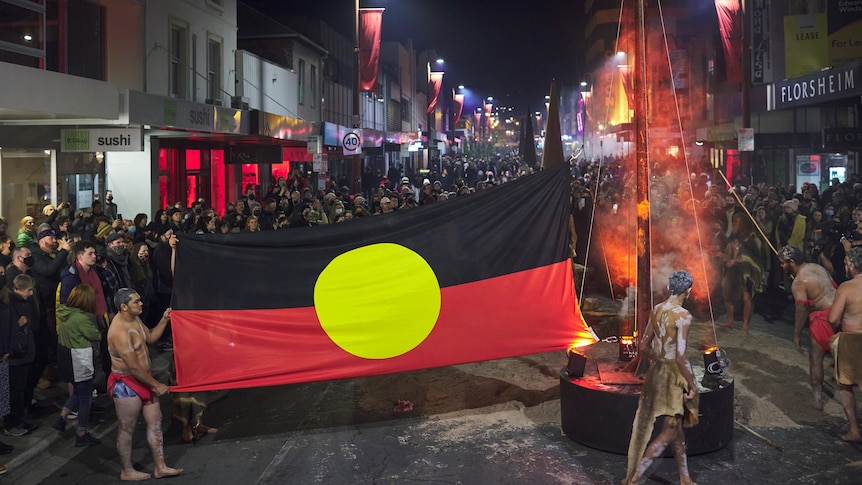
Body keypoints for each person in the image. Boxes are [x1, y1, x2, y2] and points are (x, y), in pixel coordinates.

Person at [624, 270, 699, 485]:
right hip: (673, 377)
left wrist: (659, 360)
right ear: (688, 290)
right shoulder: (684, 316)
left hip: (657, 372)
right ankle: (634, 477)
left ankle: (685, 478)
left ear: (670, 288)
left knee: (675, 428)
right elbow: (681, 355)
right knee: (669, 431)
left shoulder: (657, 309)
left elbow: (643, 345)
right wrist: (692, 385)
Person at [107, 288, 181, 481]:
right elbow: (132, 367)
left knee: (155, 420)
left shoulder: (135, 319)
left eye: (139, 300)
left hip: (144, 377)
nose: (141, 304)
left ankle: (160, 466)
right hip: (127, 383)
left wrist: (165, 319)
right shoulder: (119, 331)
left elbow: (149, 338)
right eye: (136, 302)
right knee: (127, 427)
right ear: (124, 307)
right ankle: (127, 470)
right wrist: (156, 384)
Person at [777, 245, 836, 411]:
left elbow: (801, 310)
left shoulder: (799, 282)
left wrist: (796, 335)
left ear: (792, 262)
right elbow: (831, 277)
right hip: (839, 312)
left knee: (815, 358)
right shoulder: (816, 267)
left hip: (824, 318)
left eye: (783, 263)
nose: (781, 266)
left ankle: (817, 399)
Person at [53, 284, 102, 446]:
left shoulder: (64, 313)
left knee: (78, 391)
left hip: (66, 358)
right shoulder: (81, 318)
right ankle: (81, 433)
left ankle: (62, 417)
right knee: (85, 398)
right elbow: (95, 335)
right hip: (80, 359)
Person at [828, 247, 862, 441]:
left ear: (851, 264)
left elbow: (833, 318)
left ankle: (855, 430)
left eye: (846, 263)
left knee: (846, 386)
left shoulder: (846, 288)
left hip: (851, 341)